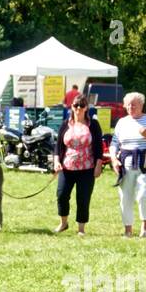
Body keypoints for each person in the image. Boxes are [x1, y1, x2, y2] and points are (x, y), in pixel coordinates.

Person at [112, 92, 146, 237]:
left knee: (143, 195)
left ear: (141, 105)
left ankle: (145, 227)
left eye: (134, 104)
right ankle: (128, 230)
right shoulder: (122, 122)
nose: (130, 107)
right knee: (125, 197)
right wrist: (114, 159)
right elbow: (114, 143)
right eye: (128, 104)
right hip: (125, 163)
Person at [54, 93, 104, 235]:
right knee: (62, 194)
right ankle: (63, 223)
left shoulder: (93, 124)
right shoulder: (66, 123)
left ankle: (81, 229)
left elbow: (99, 147)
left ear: (86, 108)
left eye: (82, 105)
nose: (78, 108)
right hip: (67, 167)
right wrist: (57, 161)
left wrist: (98, 165)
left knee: (83, 198)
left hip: (87, 168)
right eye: (76, 105)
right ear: (71, 107)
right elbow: (58, 145)